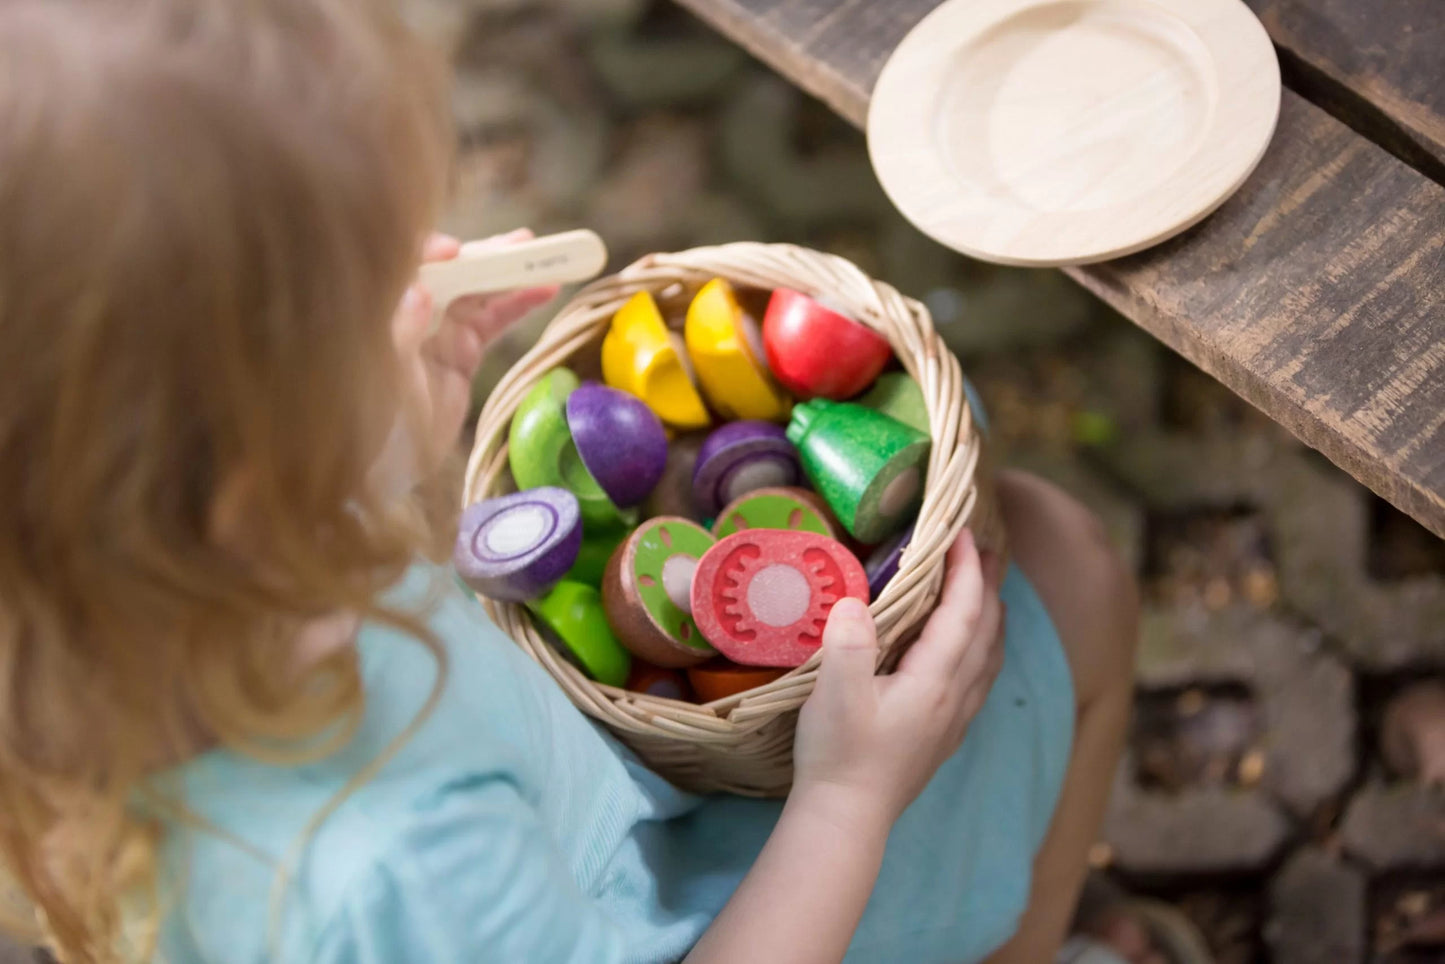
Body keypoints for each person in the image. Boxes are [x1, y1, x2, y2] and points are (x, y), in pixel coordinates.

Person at [0, 1, 1139, 962]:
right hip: (702, 916)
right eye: (363, 304)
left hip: (607, 808)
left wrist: (396, 433)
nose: (415, 294)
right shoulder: (401, 863)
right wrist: (848, 803)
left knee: (1026, 533)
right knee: (1072, 573)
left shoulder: (129, 597)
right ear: (254, 481)